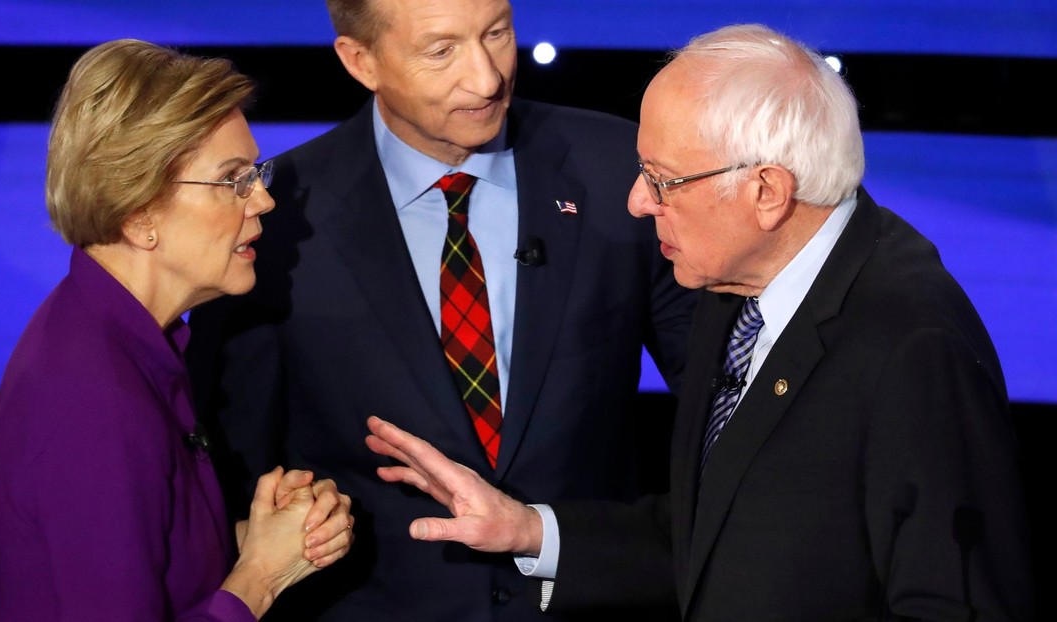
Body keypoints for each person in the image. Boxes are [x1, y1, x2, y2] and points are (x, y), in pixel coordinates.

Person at [358, 23, 1037, 621]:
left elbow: (957, 604)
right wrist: (528, 529)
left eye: (661, 178)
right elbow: (715, 532)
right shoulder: (731, 291)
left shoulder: (912, 345)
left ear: (766, 192)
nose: (635, 201)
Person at [184, 0, 697, 620]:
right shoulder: (275, 216)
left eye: (497, 34)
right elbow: (232, 471)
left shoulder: (620, 171)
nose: (487, 79)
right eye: (441, 50)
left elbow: (729, 410)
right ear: (360, 60)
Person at [0, 39, 355, 622]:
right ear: (140, 216)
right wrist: (259, 574)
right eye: (233, 180)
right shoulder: (90, 395)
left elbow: (141, 557)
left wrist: (258, 536)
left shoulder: (119, 341)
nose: (262, 200)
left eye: (254, 174)